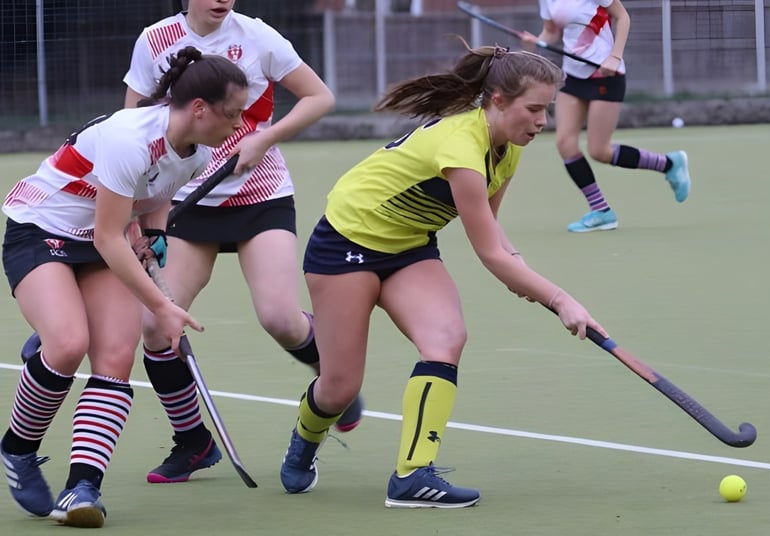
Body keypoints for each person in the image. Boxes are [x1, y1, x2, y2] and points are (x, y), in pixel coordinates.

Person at [17, 0, 362, 484]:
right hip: (181, 197)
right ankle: (194, 441)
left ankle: (334, 380)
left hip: (258, 195)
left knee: (280, 318)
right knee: (157, 328)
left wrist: (264, 139)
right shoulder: (155, 40)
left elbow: (319, 97)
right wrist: (145, 220)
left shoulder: (258, 37)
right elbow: (132, 118)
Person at [277, 40, 608, 508]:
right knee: (339, 386)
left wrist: (530, 281)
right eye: (534, 109)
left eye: (547, 110)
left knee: (446, 339)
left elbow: (497, 237)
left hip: (409, 247)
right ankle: (305, 441)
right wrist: (558, 298)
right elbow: (490, 254)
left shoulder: (507, 147)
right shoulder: (462, 147)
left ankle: (411, 477)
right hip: (347, 243)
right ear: (498, 101)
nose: (542, 121)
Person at [0, 46, 248, 527]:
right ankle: (18, 450)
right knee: (69, 344)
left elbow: (151, 201)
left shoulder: (197, 153)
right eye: (232, 113)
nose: (238, 124)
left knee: (115, 357)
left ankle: (82, 488)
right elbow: (108, 236)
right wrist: (162, 305)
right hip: (42, 226)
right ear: (199, 108)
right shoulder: (128, 138)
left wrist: (153, 240)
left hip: (100, 238)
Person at [517, 0, 691, 232]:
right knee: (564, 143)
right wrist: (536, 42)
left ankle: (669, 164)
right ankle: (601, 210)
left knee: (600, 151)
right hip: (572, 75)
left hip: (605, 73)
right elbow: (551, 32)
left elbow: (622, 17)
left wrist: (615, 57)